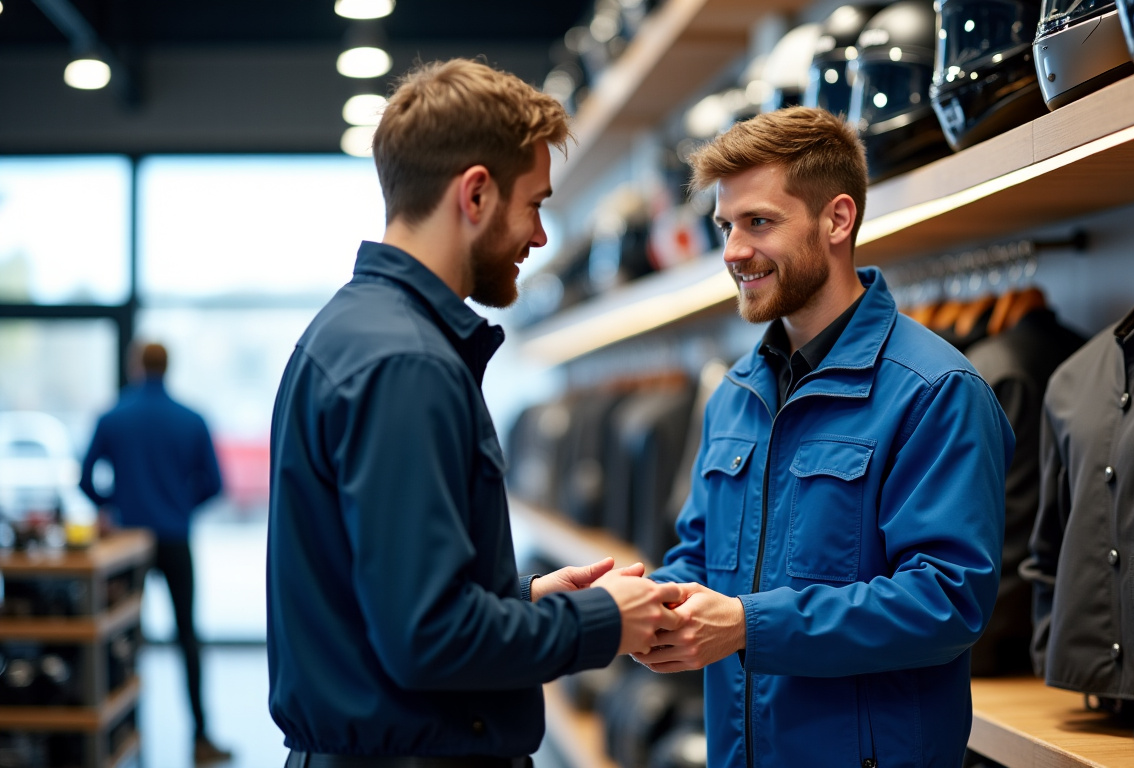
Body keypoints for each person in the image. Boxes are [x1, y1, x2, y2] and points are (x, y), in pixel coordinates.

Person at [266, 58, 683, 768]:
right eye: (536, 204)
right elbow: (426, 638)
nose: (542, 236)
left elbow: (383, 599)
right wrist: (599, 620)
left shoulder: (359, 334)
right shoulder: (408, 365)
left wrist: (520, 598)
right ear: (477, 194)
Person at [634, 107, 1015, 768]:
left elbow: (946, 600)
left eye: (759, 222)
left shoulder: (934, 391)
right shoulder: (735, 395)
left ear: (837, 219)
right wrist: (639, 603)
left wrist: (750, 626)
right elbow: (701, 555)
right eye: (726, 226)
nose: (732, 252)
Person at [78, 342, 234, 764]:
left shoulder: (113, 417)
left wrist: (113, 505)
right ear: (169, 366)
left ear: (134, 366)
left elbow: (85, 479)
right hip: (175, 537)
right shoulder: (192, 419)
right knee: (187, 635)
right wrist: (180, 506)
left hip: (129, 544)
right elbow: (216, 484)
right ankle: (201, 737)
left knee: (125, 636)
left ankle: (124, 732)